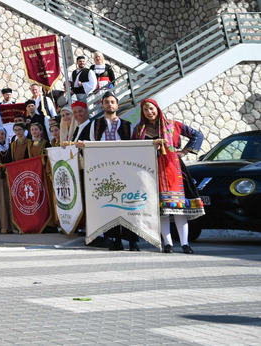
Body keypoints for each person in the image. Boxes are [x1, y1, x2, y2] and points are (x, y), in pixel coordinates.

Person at [133, 98, 205, 254]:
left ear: (157, 109)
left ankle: (185, 243)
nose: (149, 112)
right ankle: (168, 243)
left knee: (178, 206)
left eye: (151, 108)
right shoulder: (139, 129)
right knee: (161, 208)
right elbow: (134, 147)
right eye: (146, 109)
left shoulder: (173, 125)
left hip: (173, 169)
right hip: (151, 170)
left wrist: (184, 152)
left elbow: (197, 135)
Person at [78, 91, 138, 250]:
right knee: (110, 204)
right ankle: (116, 240)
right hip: (104, 172)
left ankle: (132, 240)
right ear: (102, 105)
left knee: (128, 204)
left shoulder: (127, 125)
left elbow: (136, 146)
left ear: (117, 105)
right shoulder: (94, 125)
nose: (109, 104)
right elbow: (82, 144)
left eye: (112, 102)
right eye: (106, 102)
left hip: (125, 170)